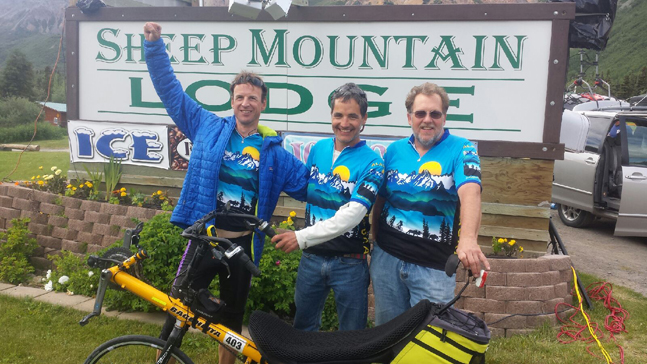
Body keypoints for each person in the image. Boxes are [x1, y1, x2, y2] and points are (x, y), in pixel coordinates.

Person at [143, 22, 308, 364]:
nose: (245, 103)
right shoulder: (207, 126)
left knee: (232, 319)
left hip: (241, 246)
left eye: (252, 98)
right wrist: (155, 47)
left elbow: (312, 186)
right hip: (205, 239)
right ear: (232, 101)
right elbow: (170, 91)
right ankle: (162, 359)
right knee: (178, 304)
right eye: (240, 97)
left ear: (263, 104)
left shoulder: (274, 152)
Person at [370, 82, 490, 326]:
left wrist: (468, 238)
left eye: (435, 113)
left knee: (431, 337)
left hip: (433, 268)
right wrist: (374, 241)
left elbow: (470, 191)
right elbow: (381, 199)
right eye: (420, 113)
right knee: (386, 333)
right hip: (386, 260)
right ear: (409, 117)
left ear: (444, 116)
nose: (427, 120)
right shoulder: (393, 151)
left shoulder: (463, 149)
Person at [271, 83, 385, 331]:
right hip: (311, 258)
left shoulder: (374, 162)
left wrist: (299, 237)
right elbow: (303, 189)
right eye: (338, 115)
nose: (345, 123)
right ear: (331, 116)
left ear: (364, 118)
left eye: (353, 116)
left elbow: (353, 215)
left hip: (350, 264)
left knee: (352, 337)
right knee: (303, 329)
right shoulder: (318, 149)